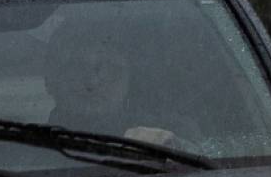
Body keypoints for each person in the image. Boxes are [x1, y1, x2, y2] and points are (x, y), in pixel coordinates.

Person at [42, 17, 193, 148]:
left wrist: (172, 149)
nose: (92, 82)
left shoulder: (168, 133)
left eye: (110, 69)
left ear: (130, 79)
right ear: (51, 78)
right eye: (77, 67)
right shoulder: (23, 146)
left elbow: (206, 158)